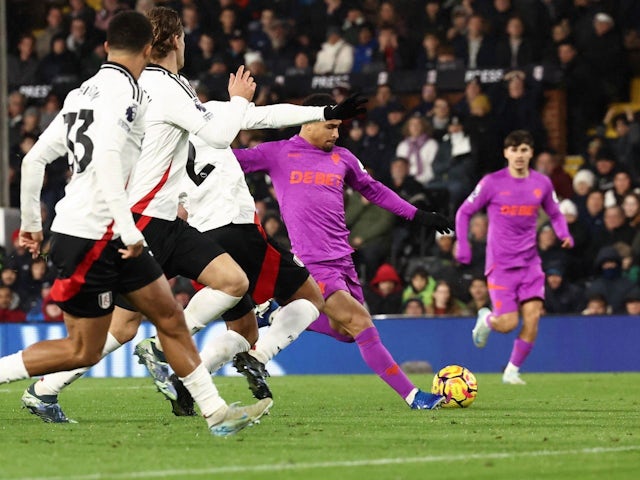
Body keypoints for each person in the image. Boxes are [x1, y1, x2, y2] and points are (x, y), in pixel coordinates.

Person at [1, 11, 271, 436]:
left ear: (106, 45)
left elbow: (34, 159)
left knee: (170, 318)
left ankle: (217, 414)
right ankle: (41, 389)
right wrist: (128, 231)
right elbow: (111, 162)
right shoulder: (134, 95)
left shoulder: (81, 93)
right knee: (84, 346)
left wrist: (31, 225)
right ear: (151, 49)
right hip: (106, 230)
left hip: (115, 224)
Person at [229, 93, 452, 410]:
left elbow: (375, 190)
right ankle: (414, 397)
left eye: (339, 128)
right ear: (309, 120)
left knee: (345, 332)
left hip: (344, 261)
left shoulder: (343, 158)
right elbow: (228, 159)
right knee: (361, 323)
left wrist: (417, 215)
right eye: (331, 126)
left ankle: (282, 310)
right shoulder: (278, 153)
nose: (336, 134)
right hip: (313, 264)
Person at [455, 129, 574, 385]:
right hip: (501, 266)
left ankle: (511, 371)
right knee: (508, 323)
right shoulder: (491, 182)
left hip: (531, 264)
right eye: (514, 149)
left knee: (533, 317)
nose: (519, 155)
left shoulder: (541, 183)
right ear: (505, 153)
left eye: (524, 149)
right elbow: (464, 212)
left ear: (531, 153)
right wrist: (462, 244)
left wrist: (564, 233)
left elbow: (554, 212)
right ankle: (486, 319)